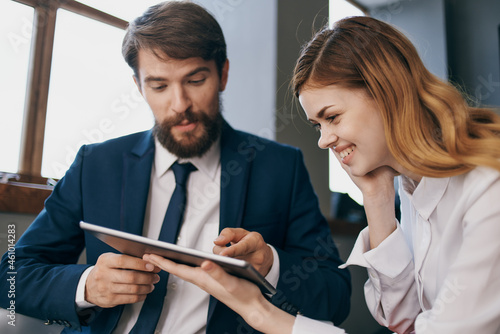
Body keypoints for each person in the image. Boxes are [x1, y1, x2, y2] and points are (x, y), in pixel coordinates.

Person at [0, 2, 352, 333]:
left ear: (223, 74)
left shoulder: (279, 168)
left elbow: (335, 298)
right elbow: (10, 278)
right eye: (159, 85)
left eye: (195, 80)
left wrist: (269, 264)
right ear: (138, 86)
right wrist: (86, 285)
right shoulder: (95, 164)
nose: (180, 104)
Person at [143, 15, 500, 334]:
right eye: (317, 125)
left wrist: (262, 313)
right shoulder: (409, 185)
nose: (324, 139)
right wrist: (376, 198)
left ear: (387, 93)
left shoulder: (488, 187)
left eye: (332, 117)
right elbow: (401, 320)